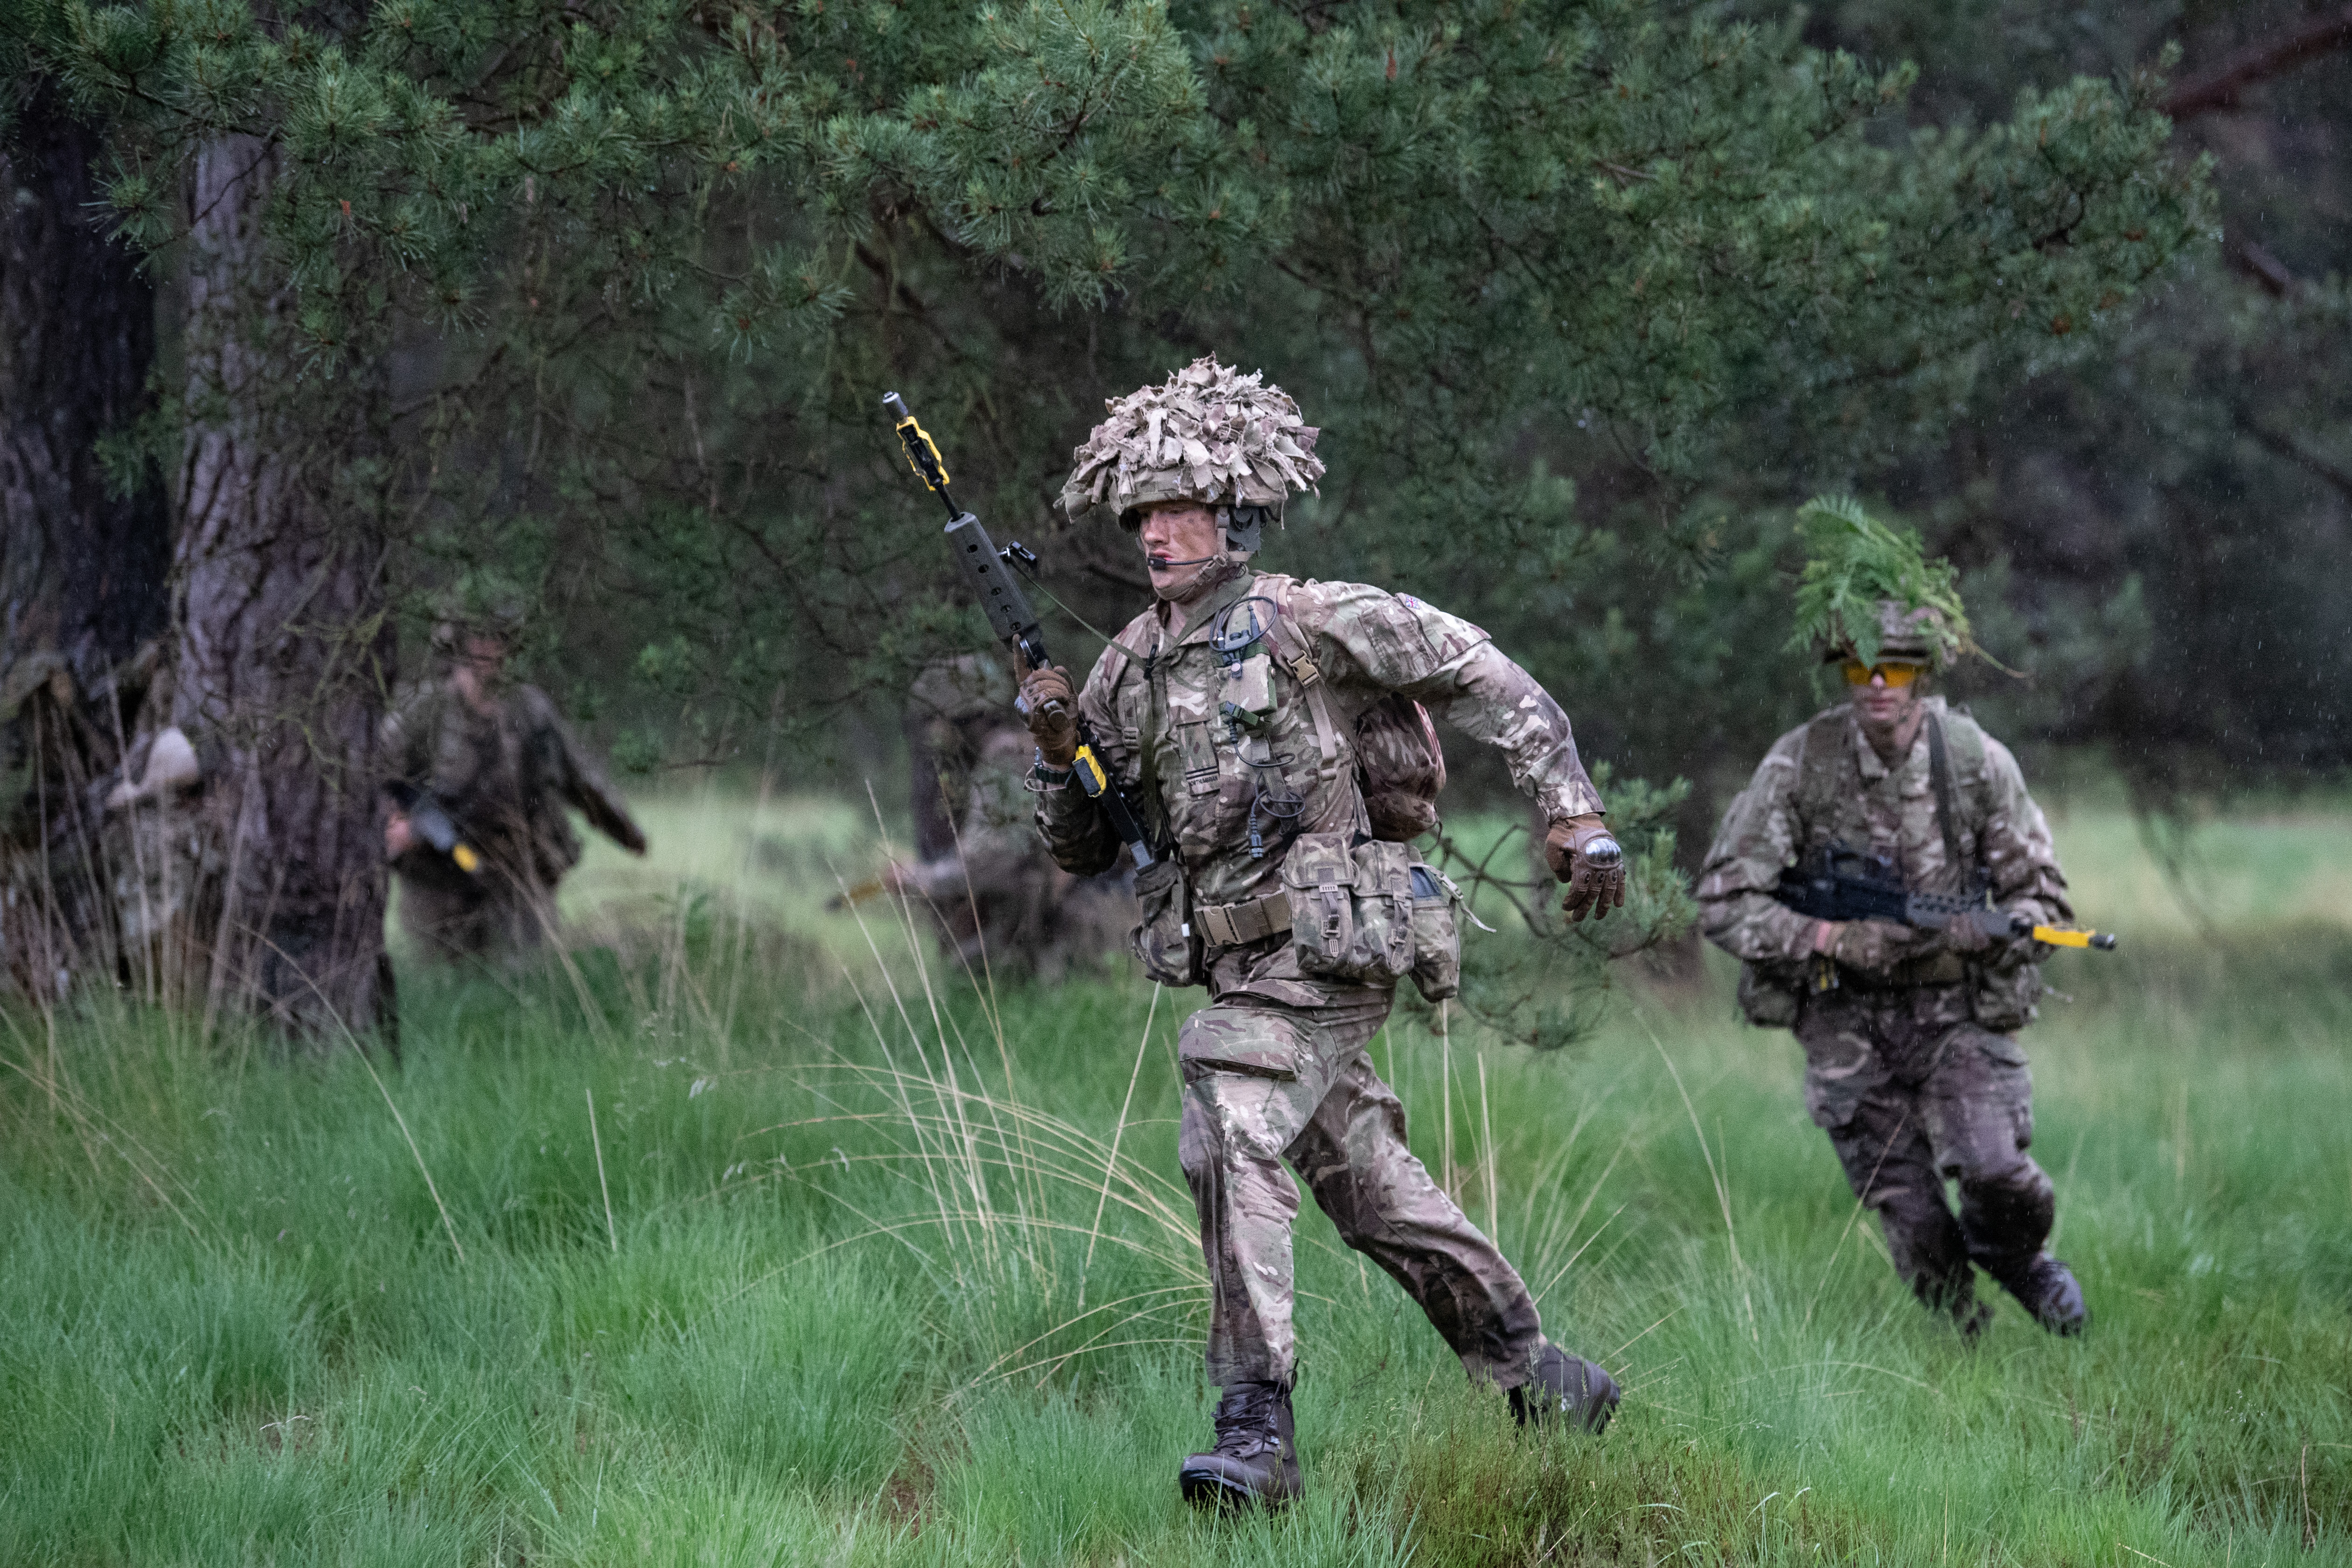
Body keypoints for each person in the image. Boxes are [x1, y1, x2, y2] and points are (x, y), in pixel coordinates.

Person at [1022, 356, 1629, 1510]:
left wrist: (1574, 811)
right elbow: (1078, 850)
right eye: (1142, 513)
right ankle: (1535, 1370)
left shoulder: (1312, 622)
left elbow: (1478, 668)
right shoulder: (1121, 673)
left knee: (1225, 1100)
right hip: (1238, 965)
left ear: (1237, 514)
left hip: (1334, 946)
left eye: (1181, 509)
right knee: (1368, 1185)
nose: (1158, 533)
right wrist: (1058, 758)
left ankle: (1256, 1425)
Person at [1694, 524, 2087, 1343]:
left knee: (1999, 1175)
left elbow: (2041, 893)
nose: (1876, 684)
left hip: (1954, 1008)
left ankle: (2017, 1260)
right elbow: (1724, 898)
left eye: (1897, 668)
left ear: (1923, 674)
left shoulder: (1975, 761)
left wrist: (2009, 930)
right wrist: (1829, 940)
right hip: (1845, 1018)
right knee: (1913, 1219)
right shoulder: (1798, 765)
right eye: (1859, 667)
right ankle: (1963, 1357)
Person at [382, 599, 647, 963]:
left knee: (527, 991)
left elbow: (582, 780)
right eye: (480, 637)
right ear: (457, 642)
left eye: (500, 638)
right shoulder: (427, 712)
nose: (491, 648)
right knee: (439, 994)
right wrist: (398, 825)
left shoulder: (530, 711)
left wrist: (630, 836)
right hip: (438, 893)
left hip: (518, 886)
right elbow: (372, 775)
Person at [874, 655, 1130, 983]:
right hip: (1090, 917)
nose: (933, 734)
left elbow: (993, 862)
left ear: (960, 718)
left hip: (1088, 925)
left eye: (937, 721)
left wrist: (918, 878)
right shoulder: (1020, 751)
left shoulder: (1007, 758)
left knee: (969, 973)